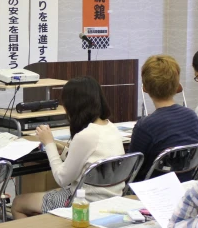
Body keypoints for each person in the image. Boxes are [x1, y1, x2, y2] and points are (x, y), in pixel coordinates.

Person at [10, 76, 124, 219]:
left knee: (18, 204)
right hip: (112, 199)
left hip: (83, 202)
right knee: (36, 208)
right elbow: (86, 159)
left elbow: (62, 178)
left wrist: (49, 144)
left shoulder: (86, 136)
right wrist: (62, 151)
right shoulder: (110, 127)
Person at [130, 55, 198, 181]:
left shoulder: (145, 127)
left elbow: (132, 169)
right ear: (176, 85)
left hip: (152, 192)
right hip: (187, 185)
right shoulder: (192, 117)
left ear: (145, 88)